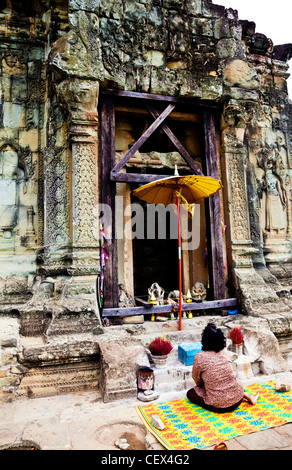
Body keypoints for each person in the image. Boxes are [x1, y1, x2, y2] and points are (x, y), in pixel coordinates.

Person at [186, 323, 259, 413]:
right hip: (237, 398)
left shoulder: (199, 357)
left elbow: (196, 379)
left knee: (190, 393)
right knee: (233, 382)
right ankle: (248, 396)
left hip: (218, 405)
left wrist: (202, 386)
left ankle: (246, 397)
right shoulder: (225, 352)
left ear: (204, 340)